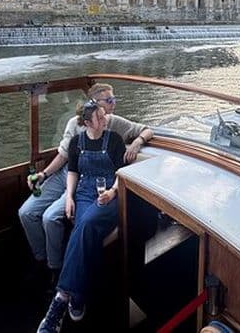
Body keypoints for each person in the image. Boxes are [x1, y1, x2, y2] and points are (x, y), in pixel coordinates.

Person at [18, 83, 152, 287]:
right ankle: (42, 259)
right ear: (93, 105)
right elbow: (64, 157)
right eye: (109, 100)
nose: (113, 104)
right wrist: (43, 175)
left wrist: (136, 142)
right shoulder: (74, 124)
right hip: (66, 173)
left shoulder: (114, 124)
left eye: (113, 99)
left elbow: (144, 130)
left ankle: (56, 268)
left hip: (84, 179)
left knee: (50, 217)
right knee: (26, 212)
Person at [37, 100, 129, 332]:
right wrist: (69, 197)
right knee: (83, 229)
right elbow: (73, 172)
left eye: (103, 115)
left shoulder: (115, 140)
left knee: (85, 223)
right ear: (87, 122)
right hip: (84, 192)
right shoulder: (77, 142)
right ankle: (78, 293)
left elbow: (121, 172)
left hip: (110, 194)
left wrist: (113, 191)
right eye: (99, 117)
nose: (104, 119)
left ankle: (62, 298)